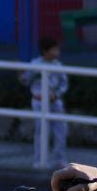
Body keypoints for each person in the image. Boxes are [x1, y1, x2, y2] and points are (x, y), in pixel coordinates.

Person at [24, 34, 70, 169]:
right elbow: (26, 80)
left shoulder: (59, 66)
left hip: (55, 101)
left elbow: (64, 83)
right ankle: (39, 160)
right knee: (41, 130)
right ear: (45, 51)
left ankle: (59, 159)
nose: (57, 52)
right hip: (39, 101)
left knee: (61, 129)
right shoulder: (35, 65)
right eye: (54, 49)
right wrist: (21, 75)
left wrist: (56, 95)